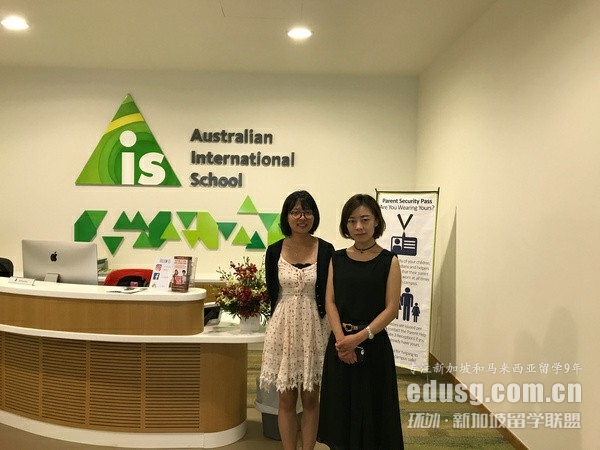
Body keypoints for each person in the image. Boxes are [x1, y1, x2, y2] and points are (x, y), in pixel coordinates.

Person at [318, 193, 404, 449]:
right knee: (341, 412)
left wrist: (359, 337)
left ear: (376, 221)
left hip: (374, 345)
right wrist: (342, 341)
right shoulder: (337, 258)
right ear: (345, 225)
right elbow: (330, 302)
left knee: (374, 412)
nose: (359, 226)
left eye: (365, 219)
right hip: (340, 346)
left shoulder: (389, 260)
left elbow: (391, 309)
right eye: (352, 220)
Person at [259, 190, 335, 450]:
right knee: (286, 399)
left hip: (316, 328)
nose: (302, 217)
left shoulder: (326, 250)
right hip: (284, 328)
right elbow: (273, 291)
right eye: (296, 212)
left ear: (314, 216)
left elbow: (331, 294)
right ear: (287, 216)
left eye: (307, 212)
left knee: (312, 398)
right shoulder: (274, 251)